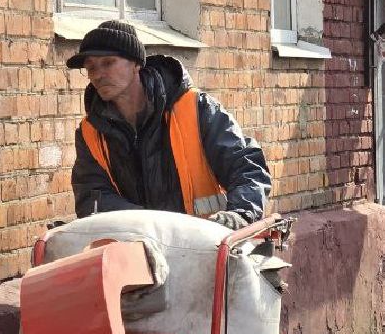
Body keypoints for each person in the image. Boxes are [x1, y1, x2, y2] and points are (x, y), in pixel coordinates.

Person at [67, 19, 270, 228]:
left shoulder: (196, 108)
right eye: (90, 68)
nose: (98, 75)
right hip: (136, 250)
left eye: (108, 63)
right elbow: (92, 196)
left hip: (208, 246)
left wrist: (241, 213)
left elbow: (245, 167)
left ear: (136, 63)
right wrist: (153, 227)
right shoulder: (90, 132)